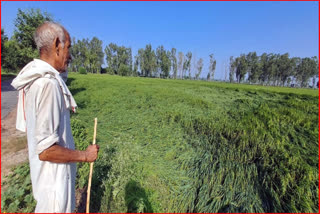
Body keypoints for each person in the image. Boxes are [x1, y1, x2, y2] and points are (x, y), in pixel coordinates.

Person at [11, 21, 99, 213]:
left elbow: (62, 76)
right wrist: (85, 155)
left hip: (49, 183)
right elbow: (46, 150)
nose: (71, 56)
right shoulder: (47, 86)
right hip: (55, 190)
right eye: (68, 48)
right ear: (57, 44)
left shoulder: (38, 79)